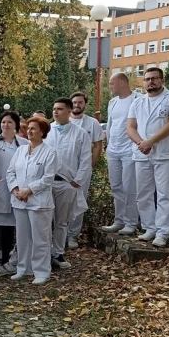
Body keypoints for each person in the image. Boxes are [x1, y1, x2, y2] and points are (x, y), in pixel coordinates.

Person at [127, 67, 169, 247]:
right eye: (147, 79)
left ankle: (163, 232)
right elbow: (130, 127)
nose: (150, 82)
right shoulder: (138, 102)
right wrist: (141, 143)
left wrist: (150, 142)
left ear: (162, 80)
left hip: (166, 154)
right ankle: (149, 228)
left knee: (165, 194)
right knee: (143, 194)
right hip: (142, 153)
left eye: (154, 78)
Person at [6, 116, 57, 285]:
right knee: (22, 238)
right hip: (19, 201)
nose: (29, 131)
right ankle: (23, 268)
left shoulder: (50, 152)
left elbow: (48, 178)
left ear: (42, 132)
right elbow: (10, 172)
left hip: (39, 203)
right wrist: (15, 190)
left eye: (33, 128)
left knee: (40, 239)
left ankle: (42, 271)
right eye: (28, 128)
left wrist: (29, 190)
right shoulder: (20, 150)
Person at [44, 98, 91, 270]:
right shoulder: (46, 130)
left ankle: (58, 253)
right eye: (54, 108)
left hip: (67, 183)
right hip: (47, 183)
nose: (55, 112)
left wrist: (77, 181)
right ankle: (44, 253)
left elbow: (85, 159)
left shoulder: (80, 133)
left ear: (69, 111)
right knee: (45, 220)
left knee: (61, 221)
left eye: (60, 109)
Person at [0, 111, 28, 276]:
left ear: (16, 125)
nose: (5, 125)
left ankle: (6, 260)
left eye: (9, 122)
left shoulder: (23, 144)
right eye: (3, 122)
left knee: (10, 227)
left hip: (16, 189)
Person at [102, 73, 140, 235]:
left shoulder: (138, 99)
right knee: (116, 187)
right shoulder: (113, 102)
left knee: (130, 187)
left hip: (129, 150)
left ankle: (131, 222)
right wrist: (108, 144)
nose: (109, 86)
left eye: (112, 83)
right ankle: (119, 221)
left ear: (122, 83)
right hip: (113, 150)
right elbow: (111, 124)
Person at [67, 92, 105, 249]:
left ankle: (72, 235)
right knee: (60, 202)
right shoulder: (63, 121)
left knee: (79, 202)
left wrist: (90, 166)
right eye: (74, 102)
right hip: (63, 170)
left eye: (80, 102)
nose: (77, 105)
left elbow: (98, 146)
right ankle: (58, 234)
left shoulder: (92, 123)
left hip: (82, 169)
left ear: (85, 104)